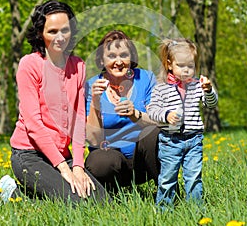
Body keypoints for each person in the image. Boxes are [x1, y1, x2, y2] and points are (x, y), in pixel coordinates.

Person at [0, 0, 109, 205]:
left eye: (65, 30)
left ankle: (32, 192)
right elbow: (34, 125)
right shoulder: (30, 65)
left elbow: (79, 119)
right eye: (52, 31)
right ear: (40, 33)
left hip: (63, 155)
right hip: (29, 155)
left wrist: (78, 167)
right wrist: (64, 169)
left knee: (102, 202)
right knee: (77, 202)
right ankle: (11, 193)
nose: (60, 37)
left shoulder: (78, 66)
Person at [84, 30, 160, 193]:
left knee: (154, 133)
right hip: (113, 161)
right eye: (111, 56)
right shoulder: (92, 86)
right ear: (102, 60)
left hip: (145, 161)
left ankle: (167, 193)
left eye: (124, 55)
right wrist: (95, 102)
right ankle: (110, 197)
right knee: (99, 160)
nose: (118, 62)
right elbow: (93, 140)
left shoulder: (145, 78)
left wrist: (136, 115)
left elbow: (159, 120)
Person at [147, 38, 218, 208]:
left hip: (194, 140)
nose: (186, 70)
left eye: (191, 66)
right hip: (170, 141)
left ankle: (195, 209)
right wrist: (166, 115)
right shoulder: (161, 87)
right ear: (169, 64)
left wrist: (208, 90)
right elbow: (152, 110)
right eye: (181, 66)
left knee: (193, 176)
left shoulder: (197, 86)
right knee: (167, 178)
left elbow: (211, 104)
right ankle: (164, 210)